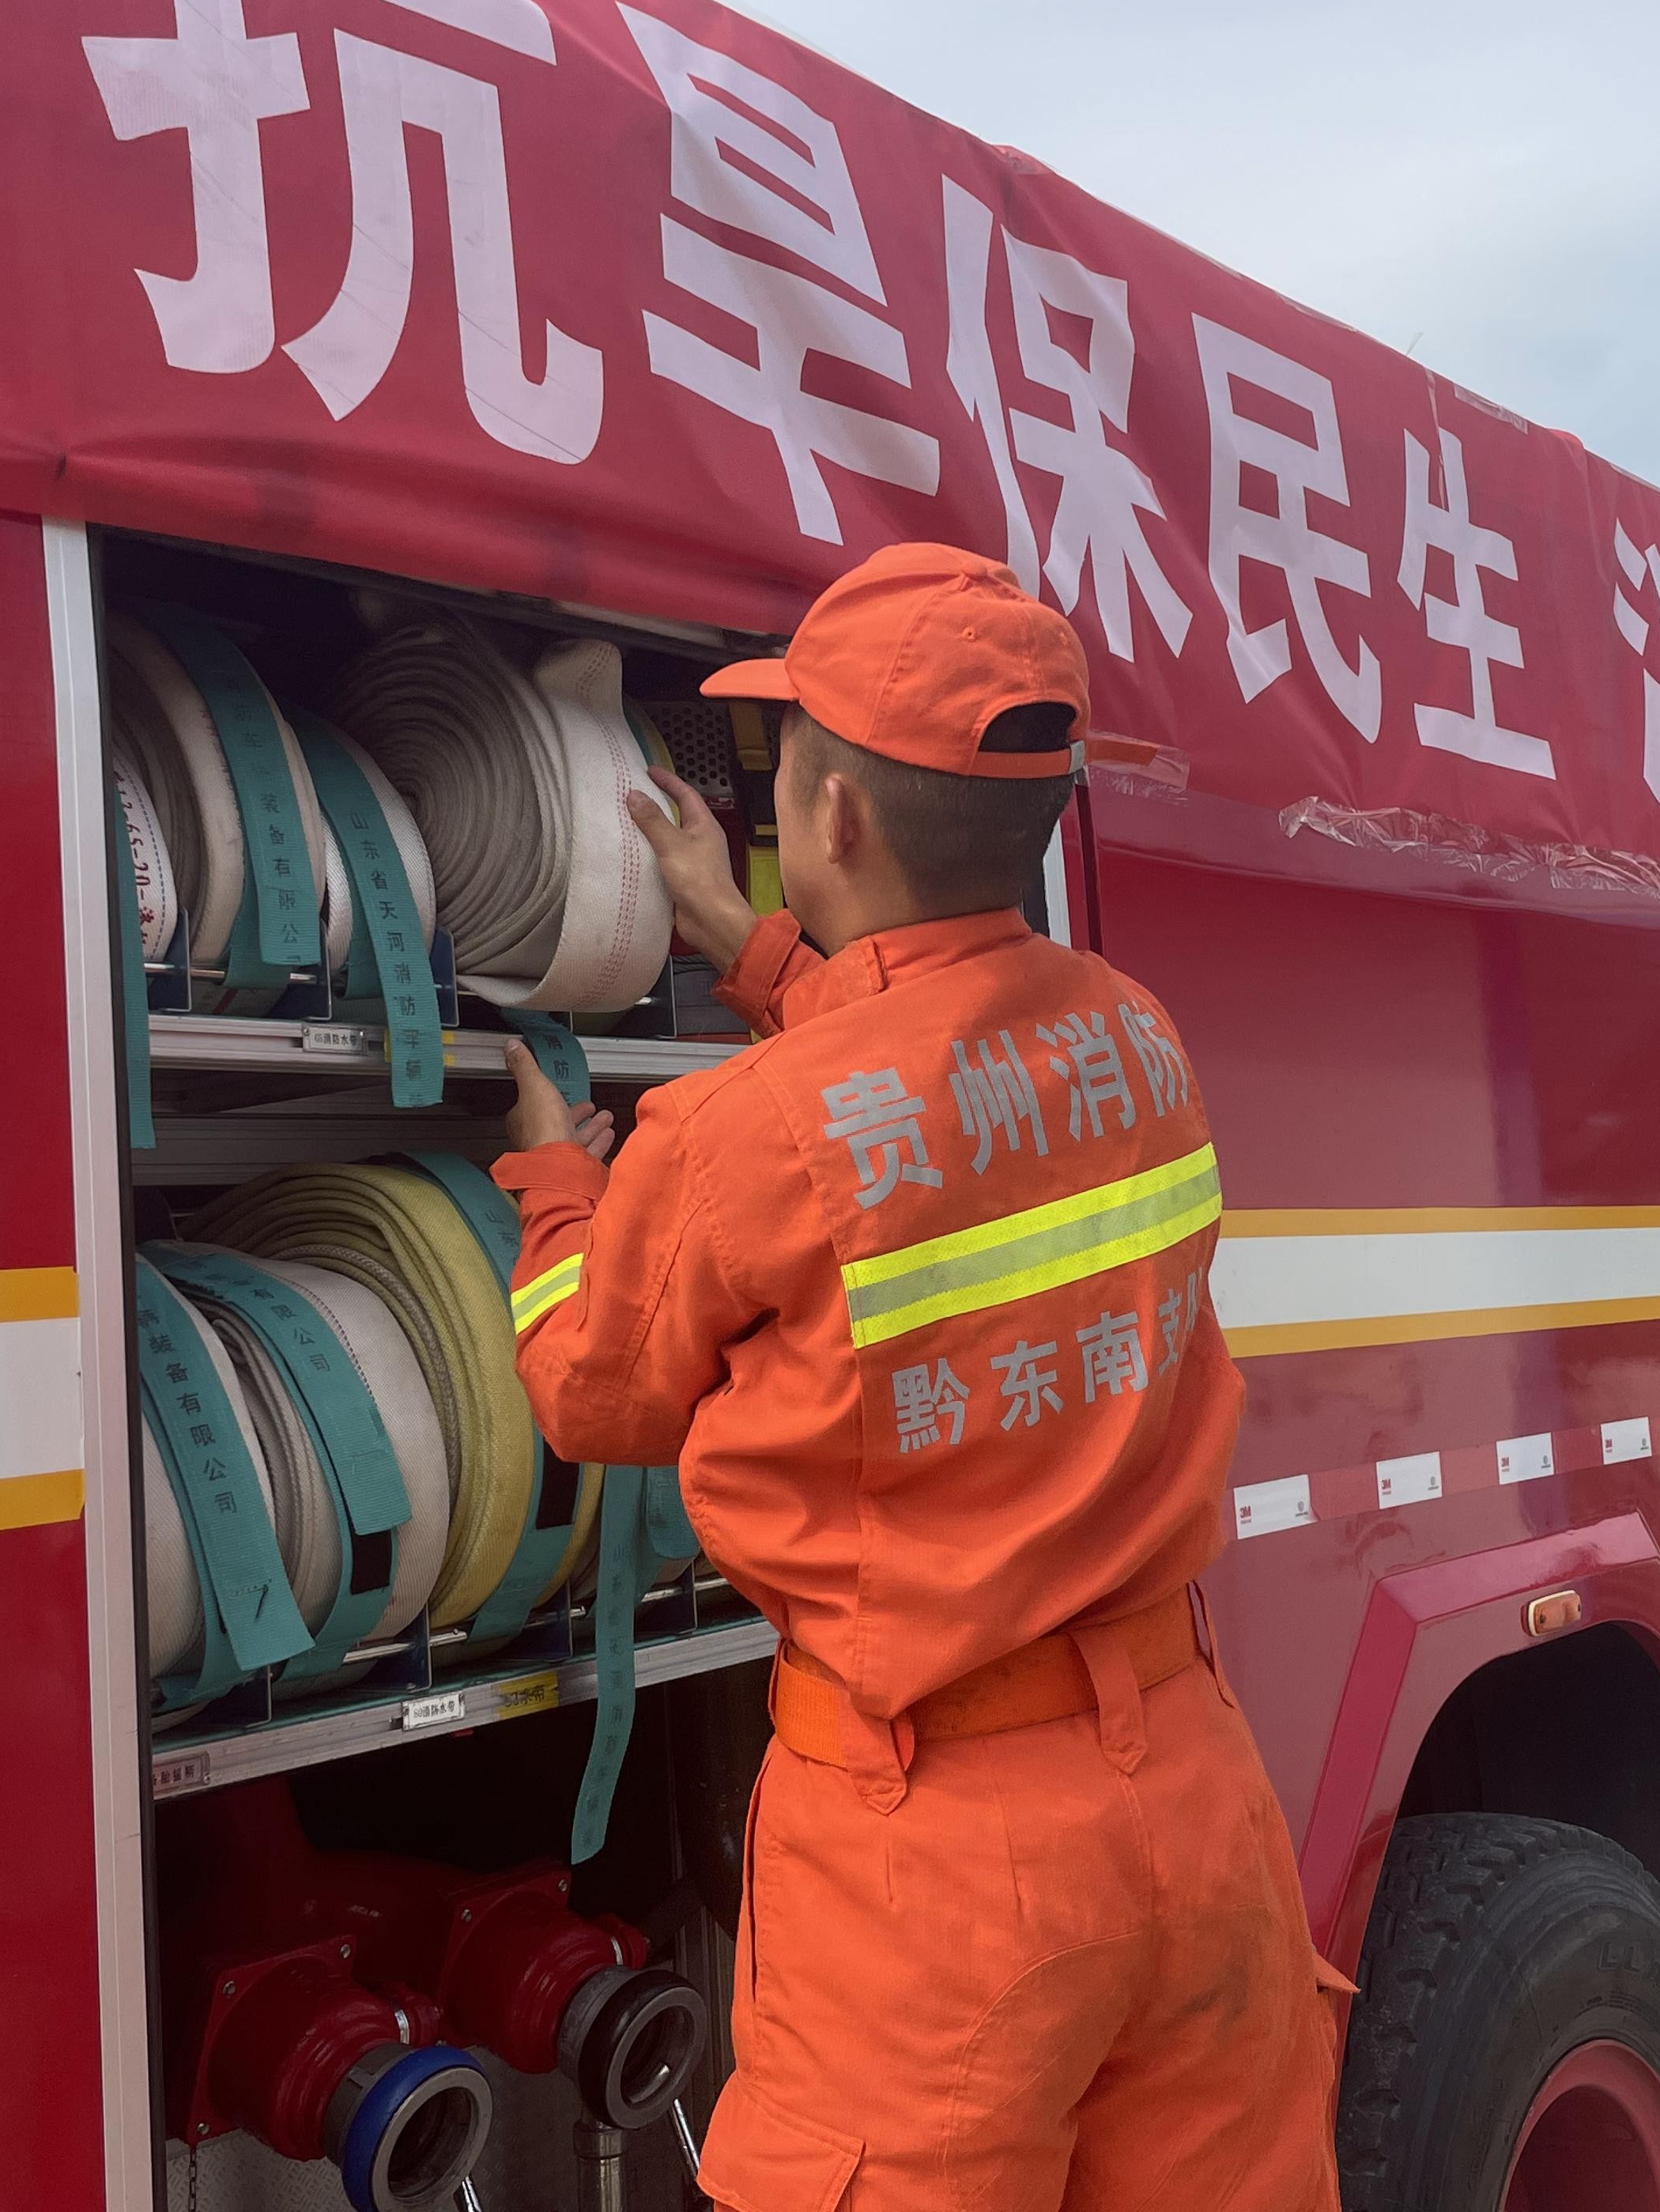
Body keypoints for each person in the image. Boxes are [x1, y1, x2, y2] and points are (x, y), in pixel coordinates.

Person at [492, 543, 1344, 2211]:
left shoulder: (736, 1142)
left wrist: (554, 1192)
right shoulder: (1138, 1039)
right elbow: (944, 1080)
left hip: (940, 1865)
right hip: (1189, 1797)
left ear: (835, 824)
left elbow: (594, 1394)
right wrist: (755, 957)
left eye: (783, 765)